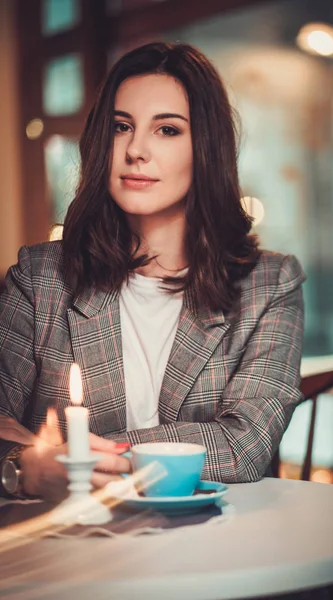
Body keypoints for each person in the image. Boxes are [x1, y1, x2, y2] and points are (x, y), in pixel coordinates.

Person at [0, 42, 305, 501]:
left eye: (167, 130)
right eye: (122, 127)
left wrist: (74, 454)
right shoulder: (39, 278)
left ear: (205, 148)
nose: (136, 150)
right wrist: (23, 469)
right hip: (69, 549)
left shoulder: (270, 283)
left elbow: (245, 444)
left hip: (213, 545)